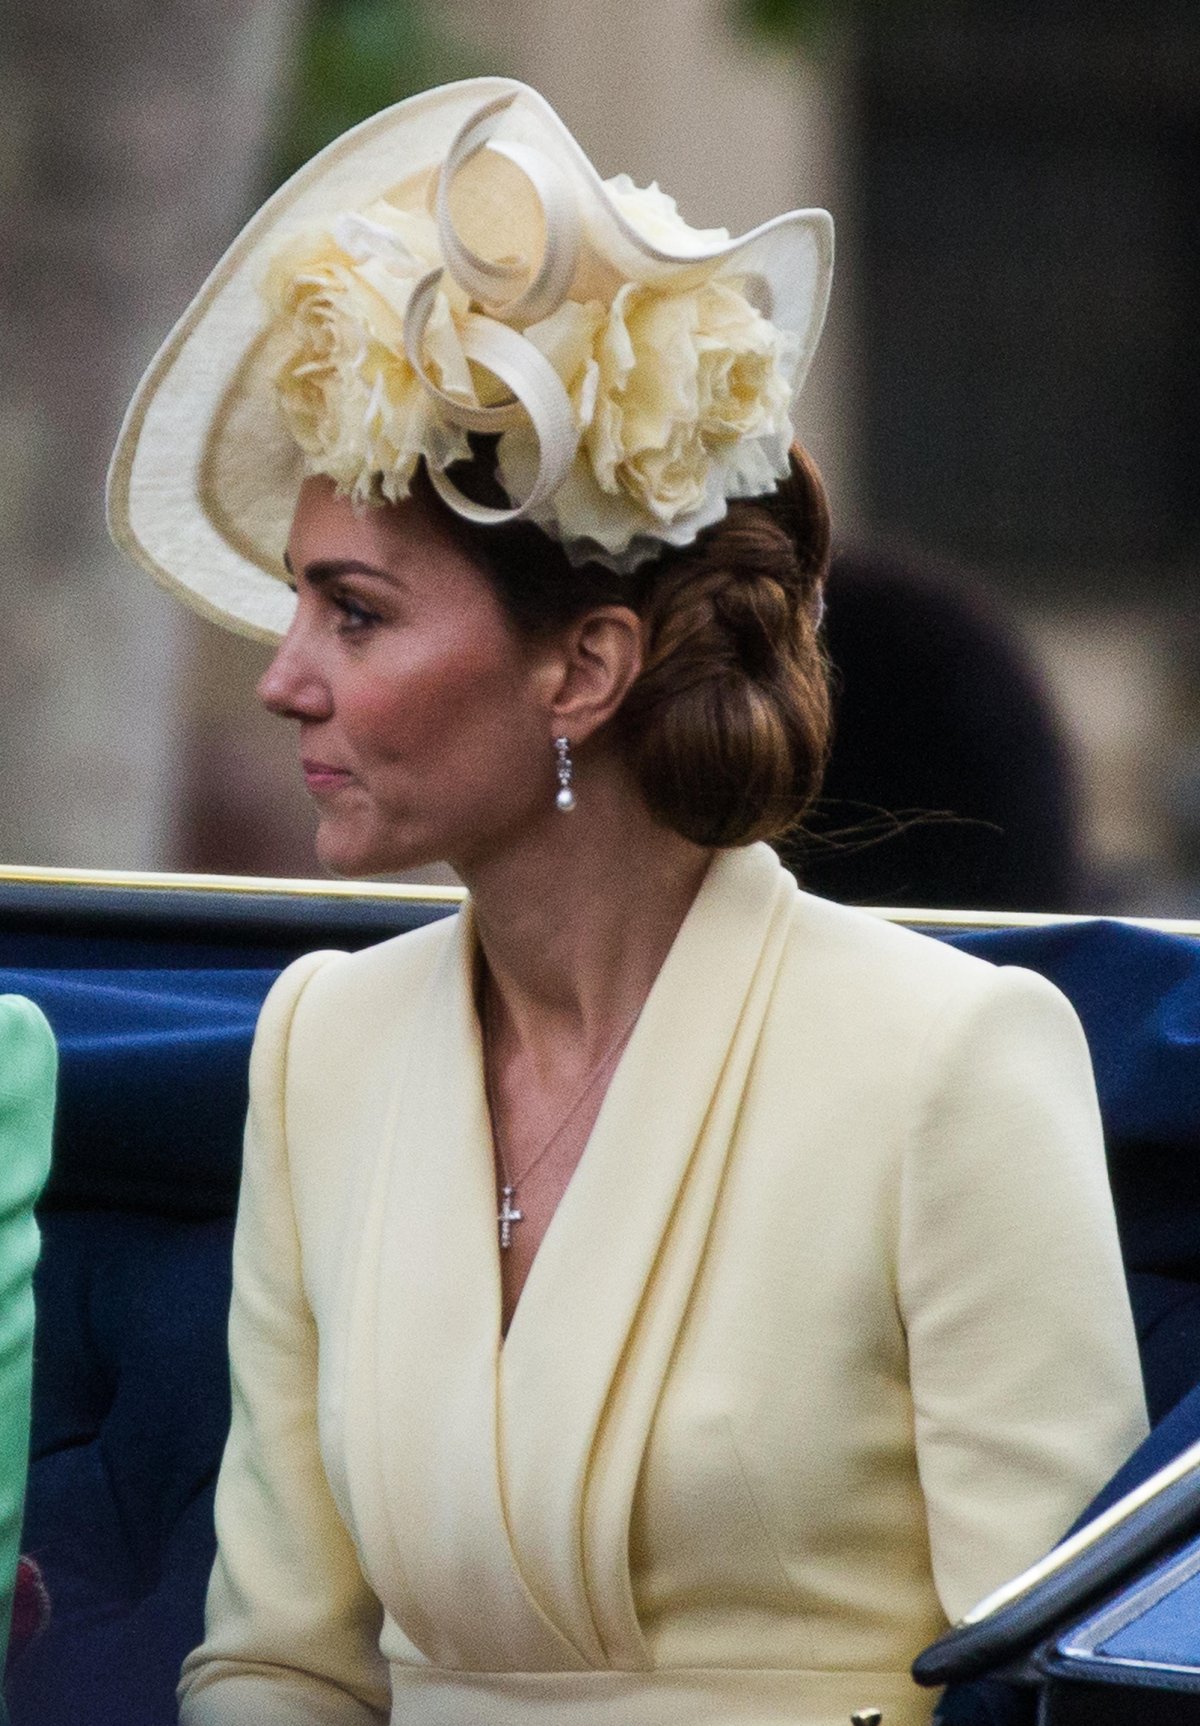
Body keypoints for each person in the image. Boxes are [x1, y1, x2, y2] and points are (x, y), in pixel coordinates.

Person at [108, 77, 1147, 1726]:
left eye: (354, 615)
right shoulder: (324, 1046)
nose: (281, 682)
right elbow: (282, 1657)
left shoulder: (951, 1062)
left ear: (582, 667)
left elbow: (1066, 1691)